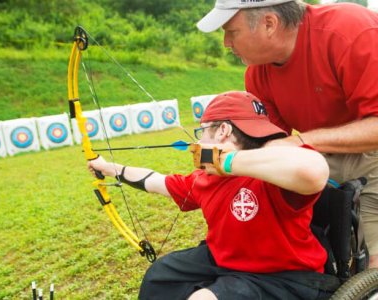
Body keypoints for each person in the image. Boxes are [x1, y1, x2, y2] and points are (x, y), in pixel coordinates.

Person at [88, 91, 340, 300]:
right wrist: (108, 168)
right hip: (228, 262)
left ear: (223, 131)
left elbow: (314, 170)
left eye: (203, 133)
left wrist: (224, 160)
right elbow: (155, 181)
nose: (199, 142)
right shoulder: (207, 179)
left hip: (284, 277)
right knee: (160, 276)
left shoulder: (273, 172)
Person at [196, 0, 378, 268]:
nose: (226, 43)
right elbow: (267, 146)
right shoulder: (258, 72)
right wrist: (217, 155)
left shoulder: (350, 31)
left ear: (269, 23)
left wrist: (303, 140)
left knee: (374, 263)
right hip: (318, 159)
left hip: (371, 154)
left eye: (232, 32)